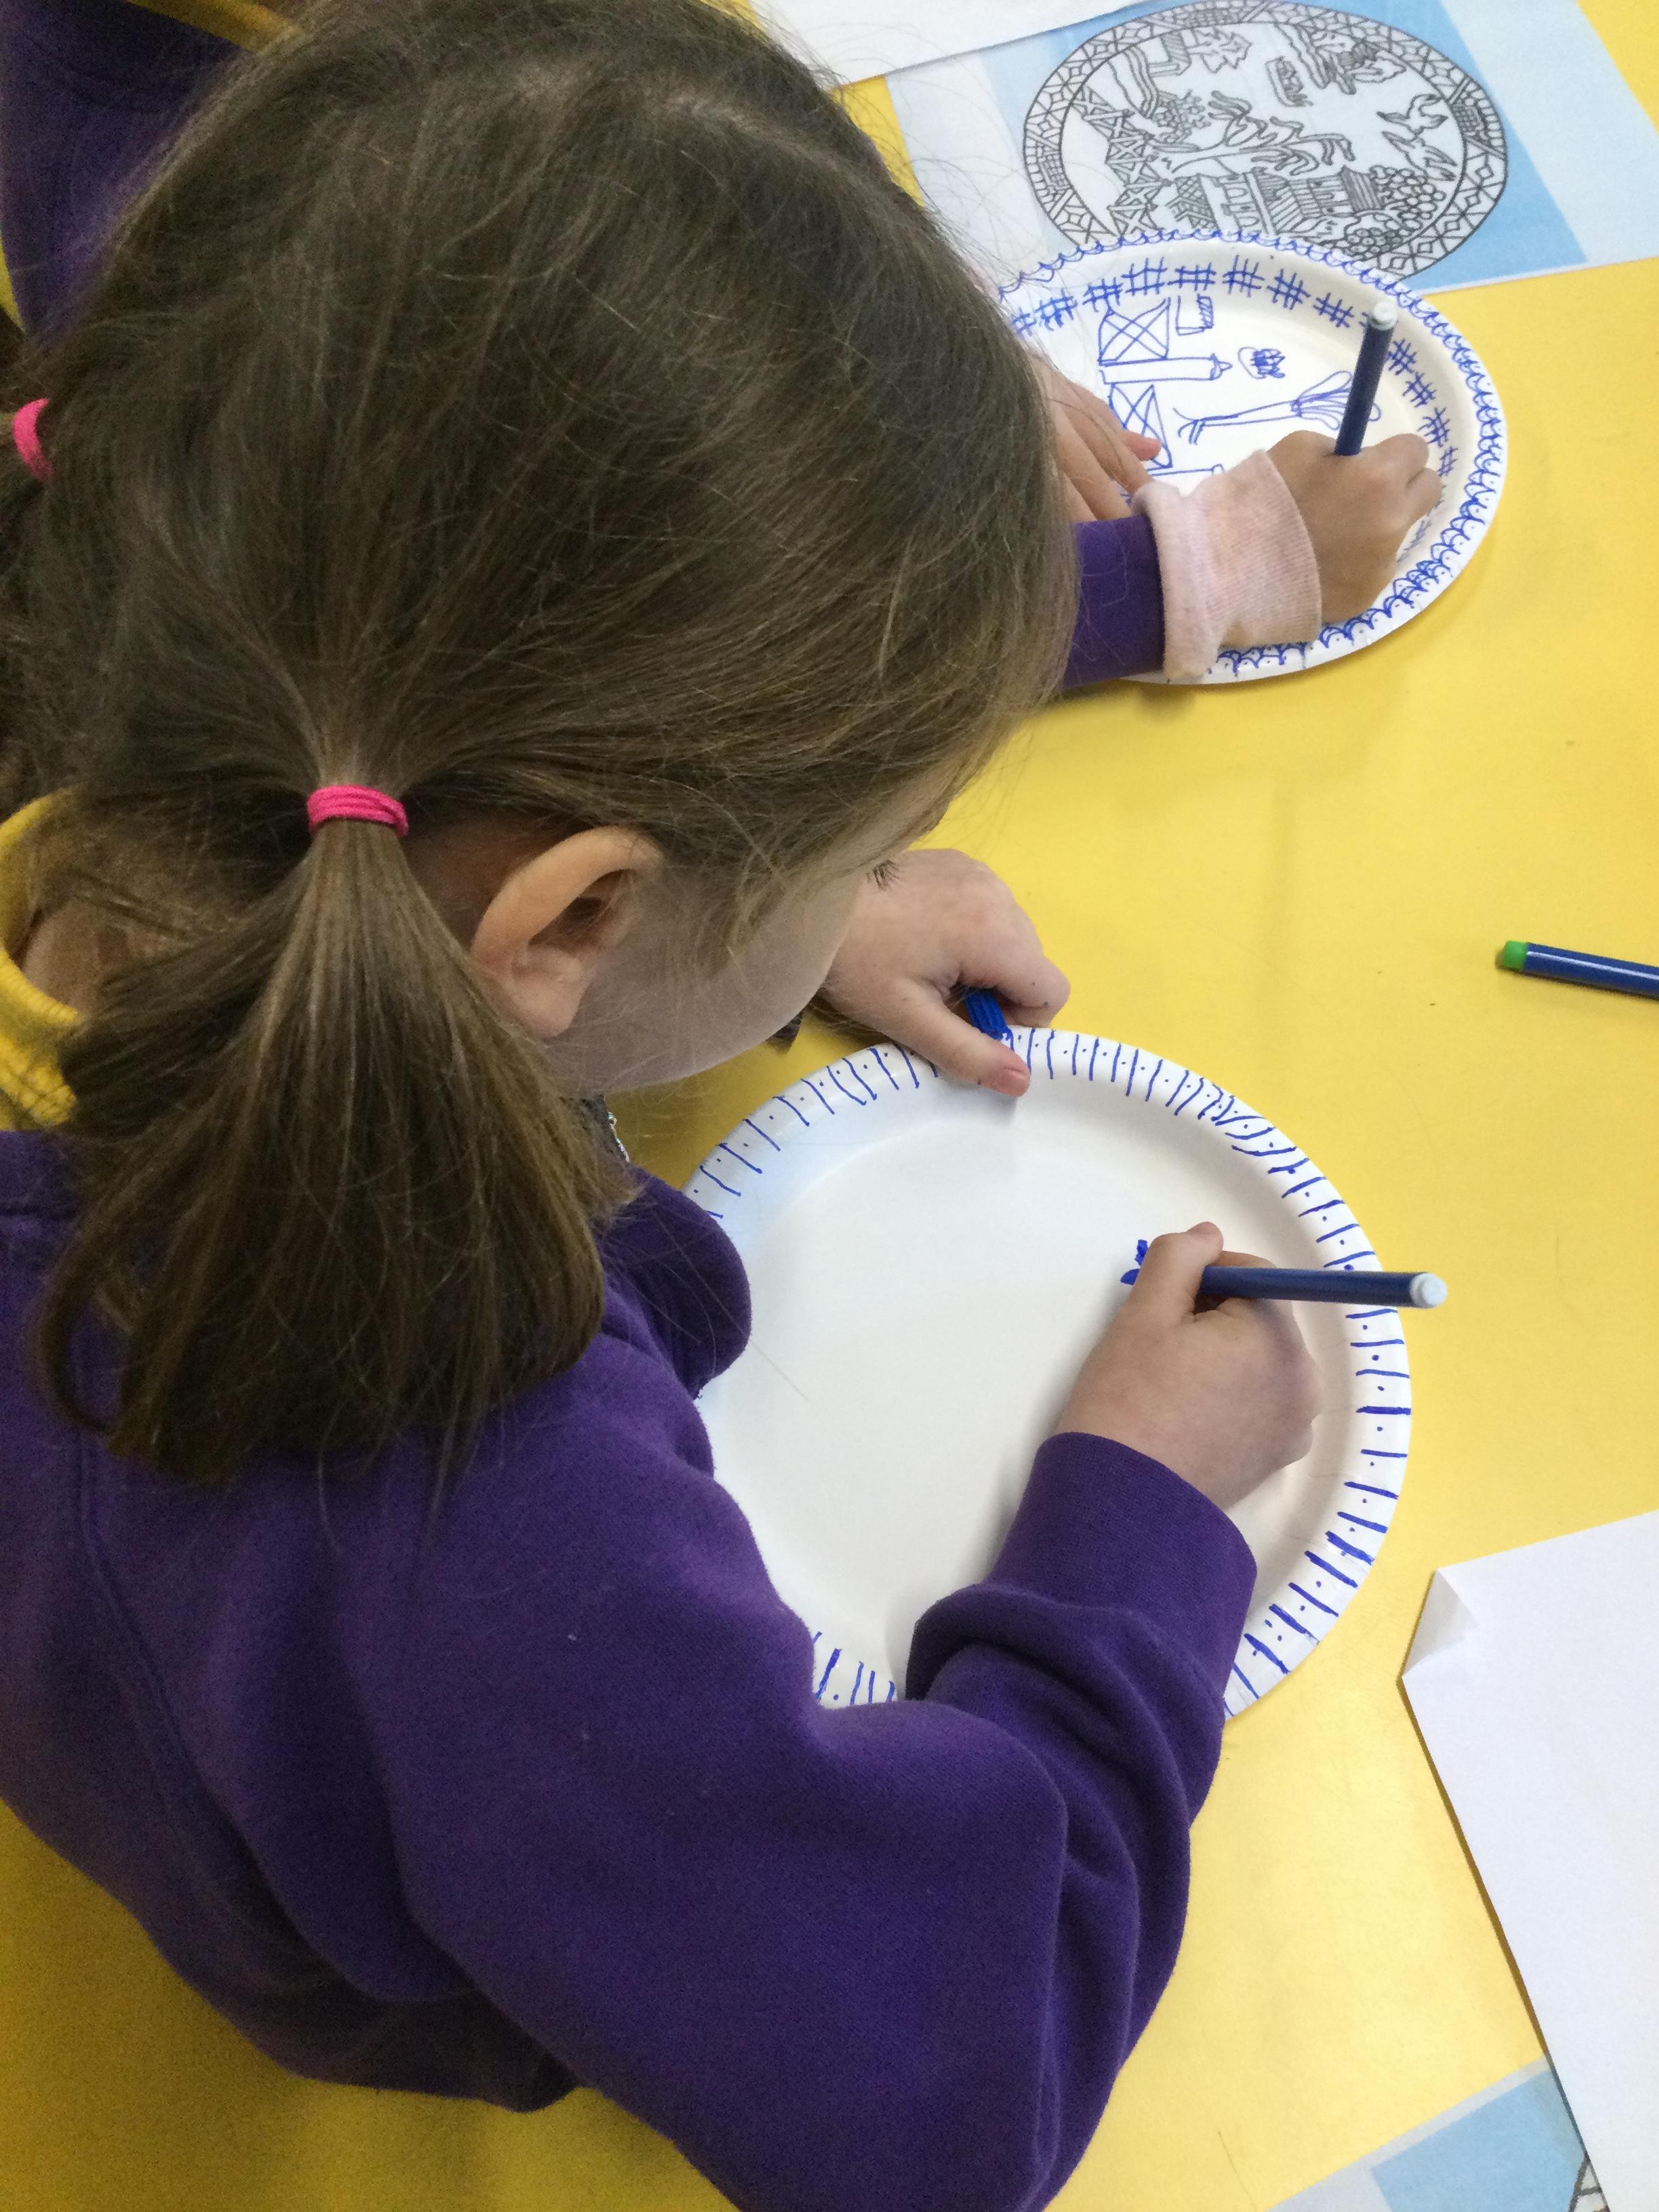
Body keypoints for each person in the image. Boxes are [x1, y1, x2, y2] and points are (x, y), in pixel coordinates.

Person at [0, 5, 1321, 2211]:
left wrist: (774, 919)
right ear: (573, 909)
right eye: (849, 842)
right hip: (400, 2014)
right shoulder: (449, 1474)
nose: (863, 879)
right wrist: (1137, 1527)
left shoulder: (126, 781)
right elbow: (941, 2085)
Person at [0, 0, 1439, 689]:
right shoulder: (253, 266)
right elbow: (648, 666)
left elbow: (706, 97)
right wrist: (1196, 576)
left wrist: (902, 301)